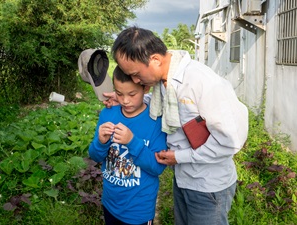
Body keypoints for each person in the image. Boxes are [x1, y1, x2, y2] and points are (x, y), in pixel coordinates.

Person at [103, 26, 249, 225]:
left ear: (155, 59)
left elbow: (231, 141)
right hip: (183, 179)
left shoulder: (201, 82)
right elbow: (163, 105)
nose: (135, 80)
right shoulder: (164, 84)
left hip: (209, 185)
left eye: (136, 74)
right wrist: (124, 98)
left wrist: (179, 157)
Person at [89, 65, 167, 225]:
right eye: (119, 94)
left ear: (145, 89)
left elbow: (157, 168)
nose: (125, 100)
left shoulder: (155, 122)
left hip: (139, 210)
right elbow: (95, 155)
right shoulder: (108, 114)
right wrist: (100, 142)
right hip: (110, 203)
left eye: (132, 94)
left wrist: (132, 142)